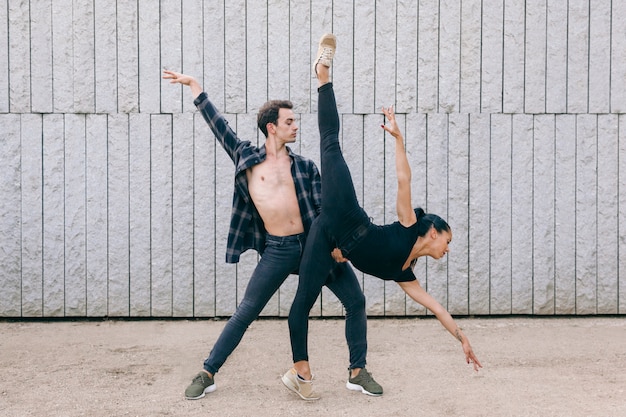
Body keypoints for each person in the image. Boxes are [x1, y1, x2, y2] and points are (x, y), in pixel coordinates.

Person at [162, 69, 382, 401]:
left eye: (296, 121)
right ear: (272, 127)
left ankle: (357, 371)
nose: (296, 126)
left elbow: (326, 211)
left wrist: (337, 246)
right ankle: (207, 372)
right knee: (246, 311)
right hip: (278, 249)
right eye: (290, 121)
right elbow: (217, 125)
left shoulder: (306, 167)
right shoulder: (246, 158)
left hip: (315, 246)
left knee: (355, 300)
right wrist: (195, 87)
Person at [285, 34, 483, 387]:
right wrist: (399, 139)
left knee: (354, 303)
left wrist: (462, 339)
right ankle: (322, 75)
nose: (447, 249)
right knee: (331, 145)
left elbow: (437, 308)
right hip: (343, 213)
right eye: (447, 241)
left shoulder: (406, 273)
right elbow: (403, 180)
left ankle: (357, 373)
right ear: (432, 231)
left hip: (333, 240)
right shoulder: (410, 225)